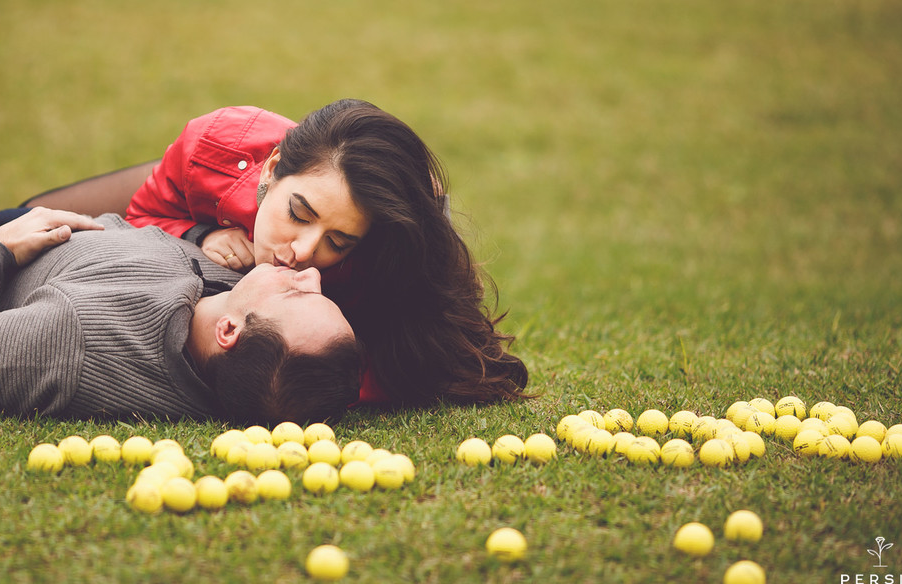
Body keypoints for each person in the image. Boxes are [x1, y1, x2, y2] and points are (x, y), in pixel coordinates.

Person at [0, 44, 362, 425]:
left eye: (298, 294)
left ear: (230, 331)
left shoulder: (67, 344)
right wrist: (204, 235)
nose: (311, 270)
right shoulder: (249, 336)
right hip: (91, 244)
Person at [27, 101, 530, 408]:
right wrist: (196, 233)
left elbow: (366, 370)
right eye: (299, 212)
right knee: (24, 216)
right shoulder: (218, 147)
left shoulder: (366, 275)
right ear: (271, 171)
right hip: (188, 188)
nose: (304, 253)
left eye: (338, 241)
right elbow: (142, 216)